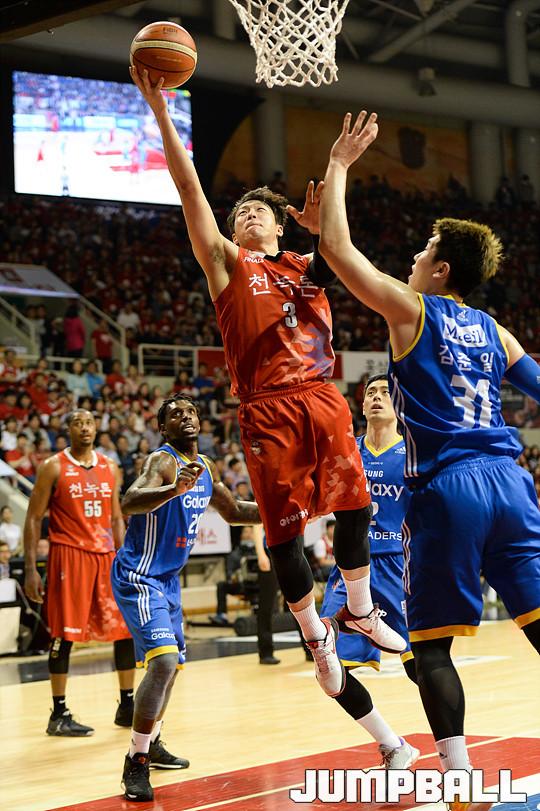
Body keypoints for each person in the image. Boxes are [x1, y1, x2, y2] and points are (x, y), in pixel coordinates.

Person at [131, 70, 405, 713]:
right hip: (266, 406)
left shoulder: (308, 264)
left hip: (321, 394)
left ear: (282, 225)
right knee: (282, 536)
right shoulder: (228, 263)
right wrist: (161, 110)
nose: (247, 215)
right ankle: (316, 638)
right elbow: (188, 188)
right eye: (240, 214)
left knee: (356, 506)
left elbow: (339, 247)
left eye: (258, 211)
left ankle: (360, 610)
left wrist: (332, 185)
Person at [319, 111, 540, 795]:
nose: (413, 257)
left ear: (440, 270)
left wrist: (339, 165)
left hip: (450, 487)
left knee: (432, 647)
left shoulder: (413, 310)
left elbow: (338, 251)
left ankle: (460, 779)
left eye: (422, 250)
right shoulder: (497, 331)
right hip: (512, 481)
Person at [111, 394, 262, 801]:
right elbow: (129, 501)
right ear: (163, 428)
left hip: (168, 582)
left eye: (191, 411)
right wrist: (174, 488)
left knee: (172, 667)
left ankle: (152, 740)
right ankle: (136, 761)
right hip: (140, 576)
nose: (186, 417)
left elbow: (235, 511)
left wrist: (291, 510)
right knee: (162, 663)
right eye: (175, 414)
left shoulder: (206, 467)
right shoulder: (161, 462)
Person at [321, 374, 418, 768]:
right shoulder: (348, 451)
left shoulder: (414, 453)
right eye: (371, 393)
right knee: (328, 667)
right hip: (350, 570)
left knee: (420, 666)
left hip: (399, 566)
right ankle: (393, 744)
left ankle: (452, 747)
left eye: (385, 392)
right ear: (362, 406)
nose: (377, 397)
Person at [23, 409, 137, 737]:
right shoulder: (53, 466)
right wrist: (30, 569)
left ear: (96, 428)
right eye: (78, 423)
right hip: (69, 556)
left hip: (106, 556)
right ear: (68, 429)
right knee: (64, 632)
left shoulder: (110, 466)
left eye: (89, 423)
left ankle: (126, 705)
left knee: (124, 629)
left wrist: (124, 558)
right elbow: (33, 518)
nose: (84, 428)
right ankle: (58, 713)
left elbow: (116, 519)